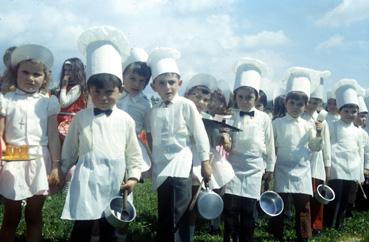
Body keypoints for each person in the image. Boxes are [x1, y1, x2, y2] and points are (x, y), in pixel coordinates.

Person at [60, 26, 143, 242]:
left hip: (115, 180)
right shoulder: (81, 117)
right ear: (88, 91)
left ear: (120, 91)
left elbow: (134, 153)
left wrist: (133, 177)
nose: (103, 97)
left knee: (110, 228)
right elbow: (70, 147)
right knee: (82, 226)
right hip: (87, 176)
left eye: (109, 92)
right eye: (97, 91)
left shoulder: (125, 120)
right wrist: (60, 170)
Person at [146, 47, 211, 242]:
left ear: (179, 83)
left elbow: (200, 135)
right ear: (154, 86)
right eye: (162, 83)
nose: (168, 87)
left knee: (179, 209)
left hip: (181, 162)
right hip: (161, 164)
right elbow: (151, 136)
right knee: (165, 208)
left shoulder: (186, 105)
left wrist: (205, 161)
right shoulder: (153, 110)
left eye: (172, 82)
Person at [0, 44, 62, 242]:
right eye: (25, 72)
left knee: (34, 215)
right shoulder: (6, 100)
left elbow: (53, 136)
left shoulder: (47, 102)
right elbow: (0, 134)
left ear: (45, 77)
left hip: (38, 160)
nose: (30, 78)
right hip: (12, 159)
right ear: (15, 72)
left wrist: (55, 166)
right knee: (11, 216)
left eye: (37, 74)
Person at [223, 58, 275, 242]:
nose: (245, 101)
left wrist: (269, 167)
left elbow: (269, 144)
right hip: (233, 167)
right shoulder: (230, 116)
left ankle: (246, 238)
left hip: (254, 168)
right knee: (230, 208)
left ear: (257, 98)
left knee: (248, 209)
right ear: (235, 96)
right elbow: (222, 138)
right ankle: (229, 237)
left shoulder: (264, 118)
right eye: (241, 97)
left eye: (249, 97)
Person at [269, 67, 323, 242]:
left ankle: (304, 236)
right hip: (282, 168)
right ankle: (277, 234)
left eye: (300, 104)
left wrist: (319, 134)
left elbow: (314, 147)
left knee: (303, 205)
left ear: (305, 105)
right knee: (279, 203)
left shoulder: (309, 125)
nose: (295, 107)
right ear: (285, 103)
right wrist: (271, 166)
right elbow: (272, 146)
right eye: (292, 103)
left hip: (302, 170)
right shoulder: (277, 123)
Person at [323, 79, 367, 229]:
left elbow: (361, 151)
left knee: (346, 198)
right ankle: (328, 224)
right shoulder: (332, 126)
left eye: (354, 111)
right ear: (339, 111)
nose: (350, 114)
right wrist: (327, 165)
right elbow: (327, 145)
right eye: (346, 111)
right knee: (334, 196)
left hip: (353, 166)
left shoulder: (358, 132)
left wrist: (361, 171)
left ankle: (339, 224)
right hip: (337, 165)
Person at [300, 70, 331, 235]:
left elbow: (327, 146)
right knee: (305, 197)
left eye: (316, 102)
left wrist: (328, 165)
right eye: (310, 101)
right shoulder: (300, 118)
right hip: (303, 162)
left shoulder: (322, 121)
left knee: (318, 195)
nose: (312, 105)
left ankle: (317, 226)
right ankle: (304, 226)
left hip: (317, 162)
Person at [117, 47, 152, 174]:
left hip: (132, 143)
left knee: (128, 176)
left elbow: (148, 130)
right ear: (123, 75)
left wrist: (151, 152)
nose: (137, 84)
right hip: (111, 139)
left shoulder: (145, 104)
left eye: (142, 81)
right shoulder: (114, 96)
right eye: (132, 78)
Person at [56, 58, 87, 143]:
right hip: (59, 121)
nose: (67, 73)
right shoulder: (65, 87)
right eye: (65, 70)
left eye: (70, 70)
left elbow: (64, 103)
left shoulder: (77, 88)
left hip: (69, 122)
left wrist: (63, 87)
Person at [354, 93, 369, 211]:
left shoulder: (364, 134)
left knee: (359, 186)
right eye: (361, 116)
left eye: (365, 117)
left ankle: (356, 207)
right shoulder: (349, 130)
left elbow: (367, 152)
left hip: (360, 164)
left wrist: (366, 167)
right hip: (350, 164)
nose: (363, 119)